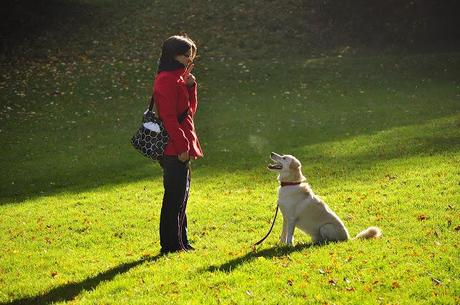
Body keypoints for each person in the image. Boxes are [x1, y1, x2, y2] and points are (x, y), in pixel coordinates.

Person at [153, 35, 203, 254]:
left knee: (182, 195)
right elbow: (169, 118)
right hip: (173, 148)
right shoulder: (166, 79)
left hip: (183, 144)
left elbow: (189, 113)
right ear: (174, 55)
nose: (190, 59)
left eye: (192, 55)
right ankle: (170, 245)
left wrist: (191, 87)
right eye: (186, 55)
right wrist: (182, 146)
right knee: (173, 196)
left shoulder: (180, 78)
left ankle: (181, 241)